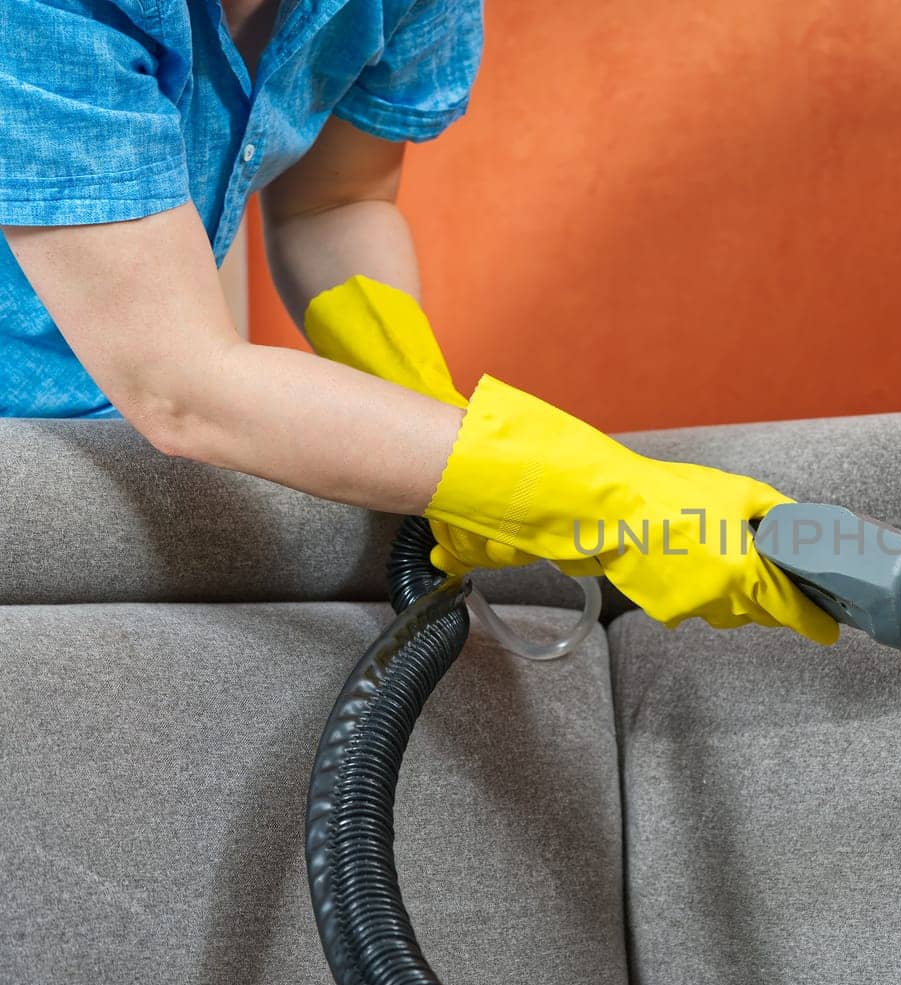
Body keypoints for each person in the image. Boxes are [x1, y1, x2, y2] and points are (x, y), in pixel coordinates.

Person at [0, 0, 837, 644]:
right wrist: (594, 497)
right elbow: (181, 385)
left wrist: (419, 399)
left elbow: (334, 200)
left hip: (128, 431)